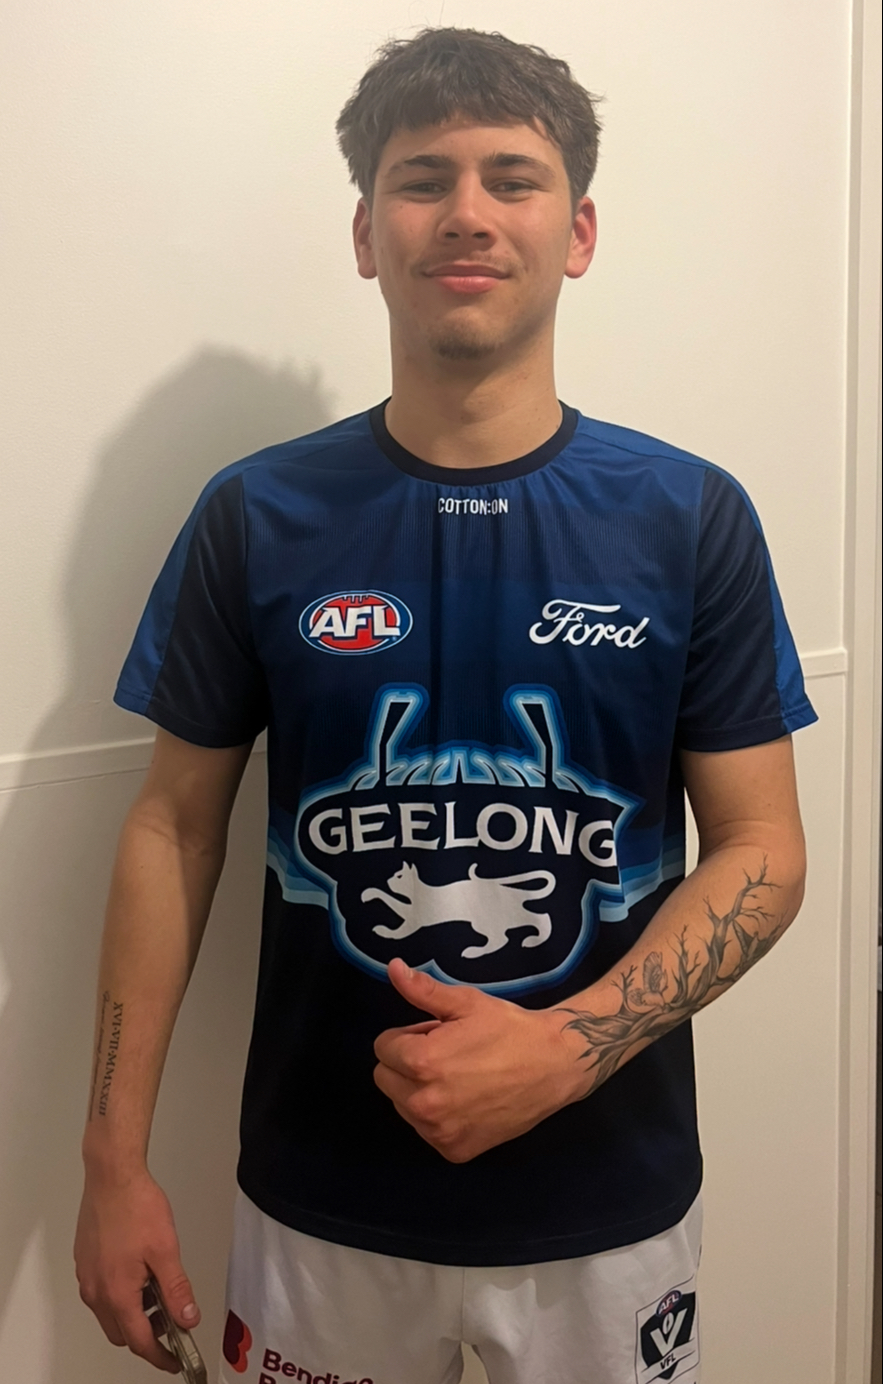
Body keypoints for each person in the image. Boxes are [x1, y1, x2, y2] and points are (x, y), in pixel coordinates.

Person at [74, 26, 816, 1384]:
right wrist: (111, 1166)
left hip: (607, 1209)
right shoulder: (255, 515)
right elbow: (171, 831)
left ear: (577, 231)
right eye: (423, 179)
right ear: (368, 233)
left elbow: (764, 852)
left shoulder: (689, 515)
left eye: (512, 178)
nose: (467, 212)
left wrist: (568, 1052)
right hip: (319, 1208)